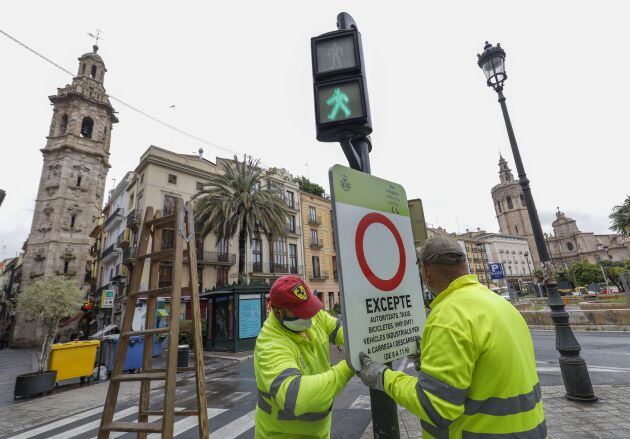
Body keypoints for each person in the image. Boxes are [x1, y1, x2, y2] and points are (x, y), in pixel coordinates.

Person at [358, 235, 546, 438]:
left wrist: (383, 377)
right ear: (464, 263)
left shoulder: (447, 317)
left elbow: (434, 406)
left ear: (426, 270)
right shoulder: (500, 304)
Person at [254, 275, 353, 439]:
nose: (309, 316)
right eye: (301, 313)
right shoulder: (270, 343)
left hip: (320, 433)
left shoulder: (314, 315)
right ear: (278, 314)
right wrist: (348, 367)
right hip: (281, 435)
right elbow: (296, 396)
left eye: (309, 309)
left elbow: (340, 330)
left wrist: (364, 341)